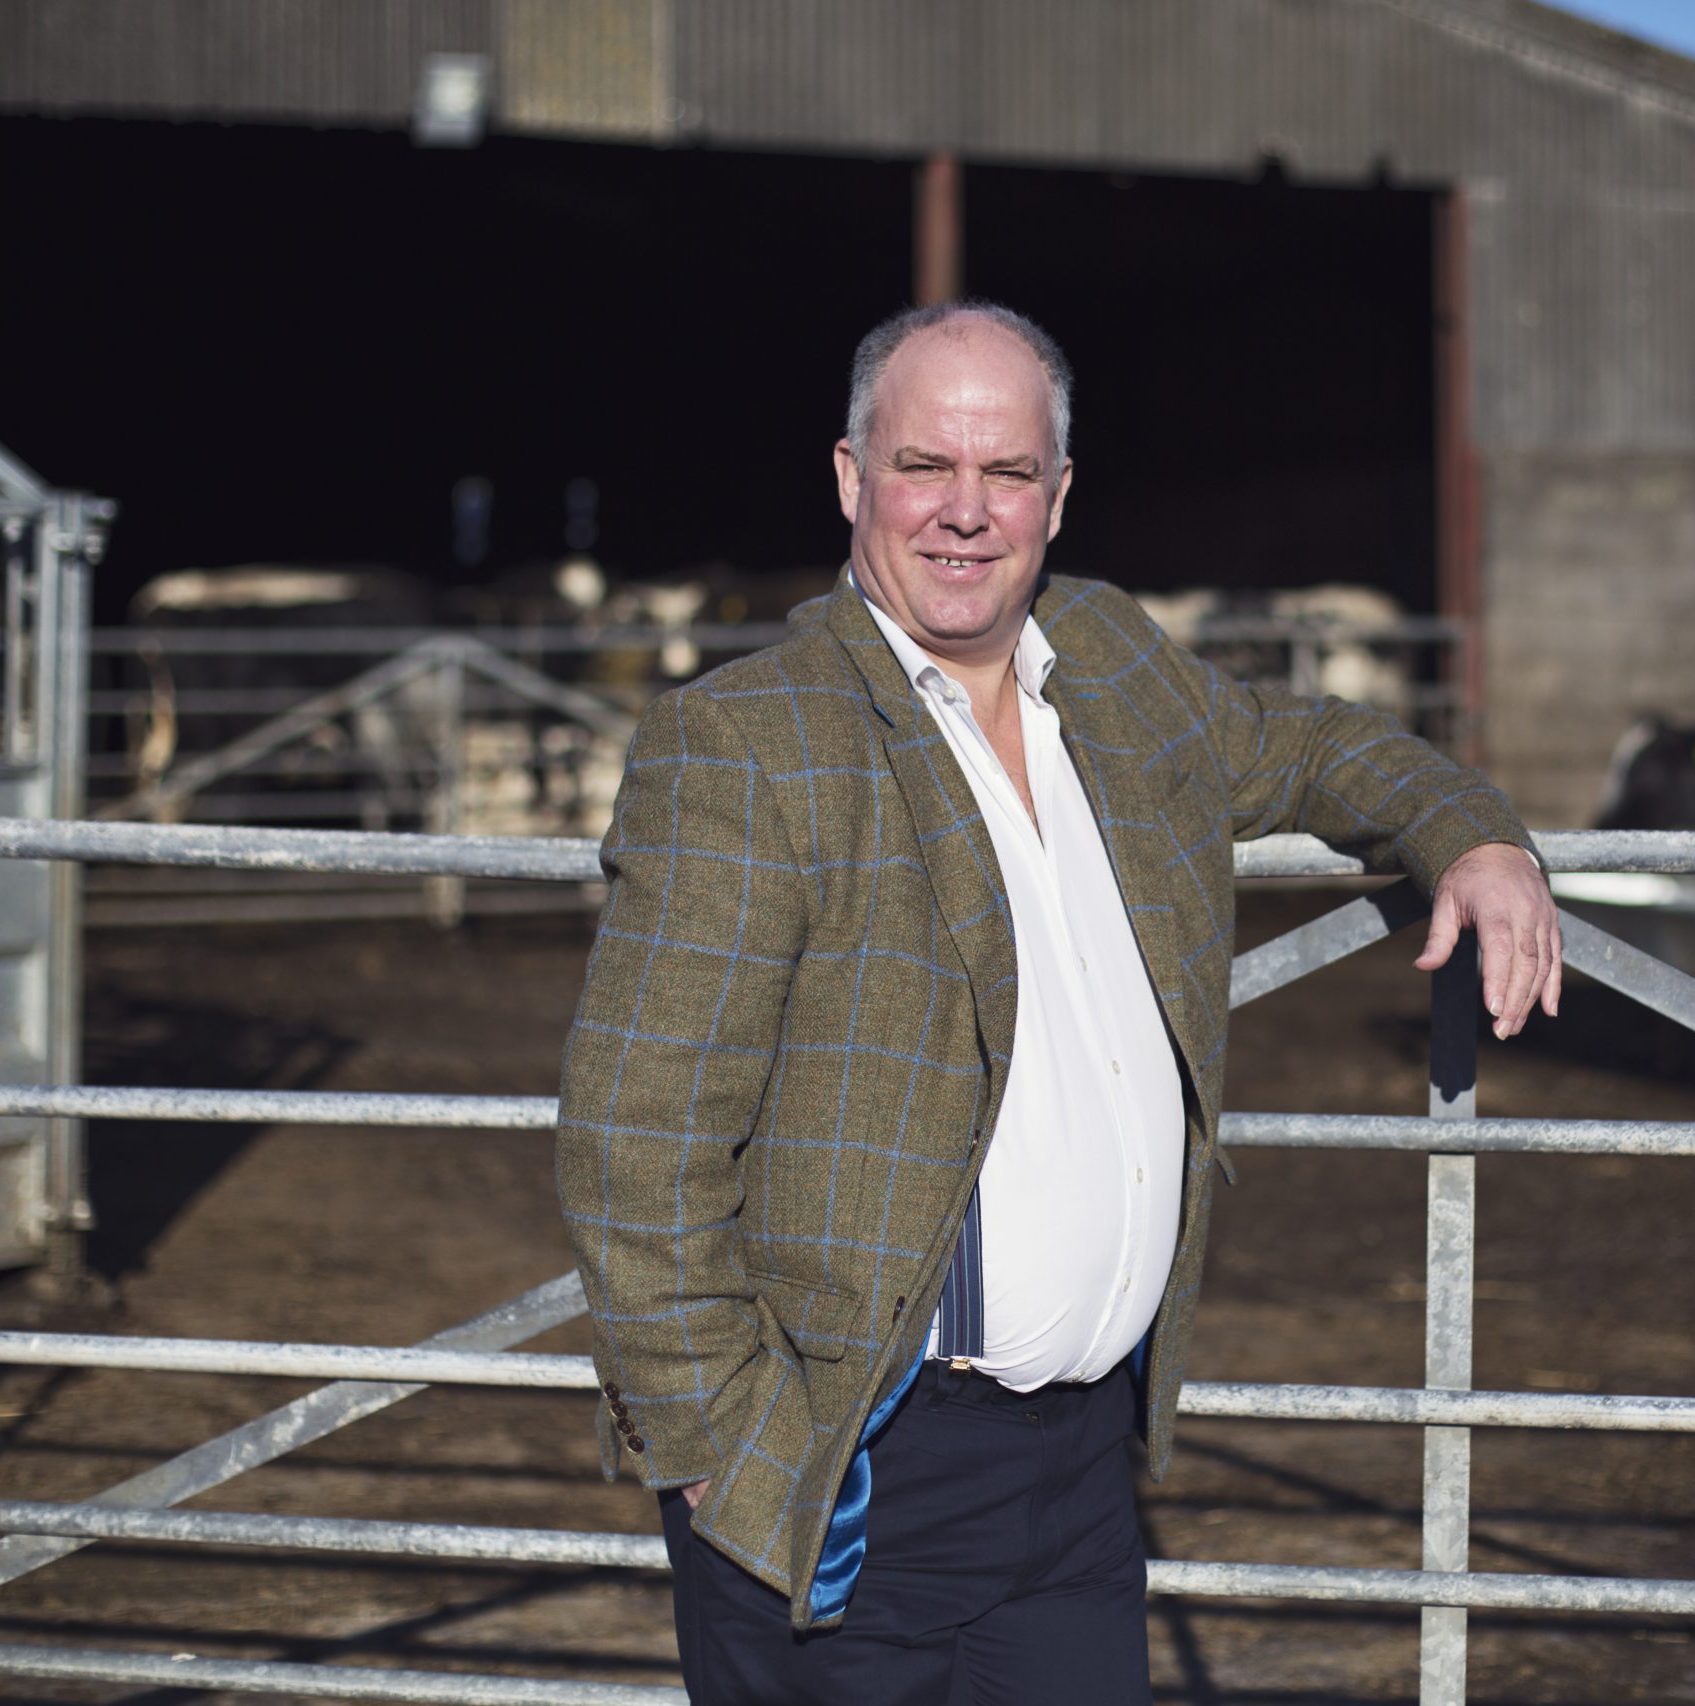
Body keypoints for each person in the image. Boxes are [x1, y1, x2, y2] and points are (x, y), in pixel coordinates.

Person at [555, 300, 1559, 1704]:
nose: (965, 513)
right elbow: (632, 1143)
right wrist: (728, 1445)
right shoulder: (751, 742)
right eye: (923, 467)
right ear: (851, 477)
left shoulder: (1116, 667)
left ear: (1059, 495)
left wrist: (1477, 833)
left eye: (1007, 474)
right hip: (844, 1466)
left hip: (1080, 1483)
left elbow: (1318, 744)